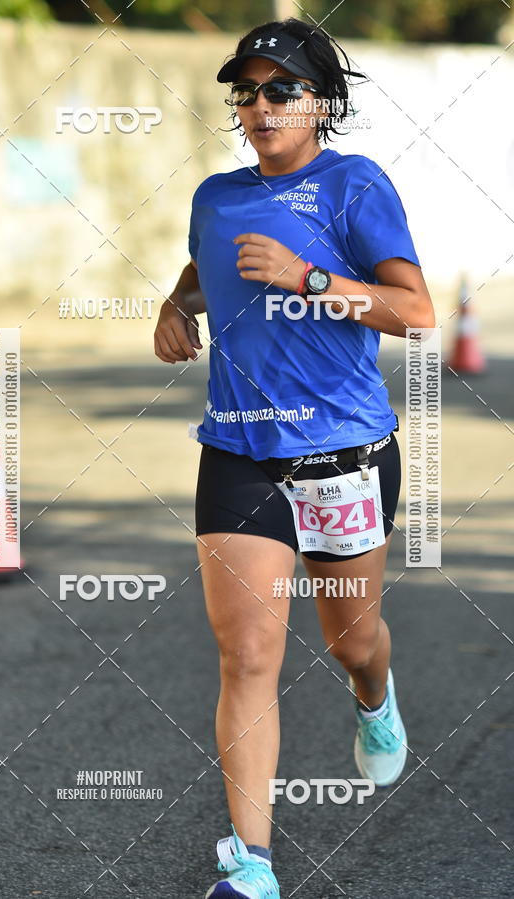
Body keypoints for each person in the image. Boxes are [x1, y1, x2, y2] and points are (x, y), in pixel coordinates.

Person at [154, 17, 435, 899]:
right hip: (239, 451)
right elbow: (205, 269)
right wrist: (176, 306)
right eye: (247, 92)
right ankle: (253, 866)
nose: (261, 105)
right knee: (247, 655)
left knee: (351, 639)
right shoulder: (215, 196)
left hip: (344, 455)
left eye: (282, 89)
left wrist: (308, 277)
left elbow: (416, 312)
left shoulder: (355, 185)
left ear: (321, 102)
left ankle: (374, 695)